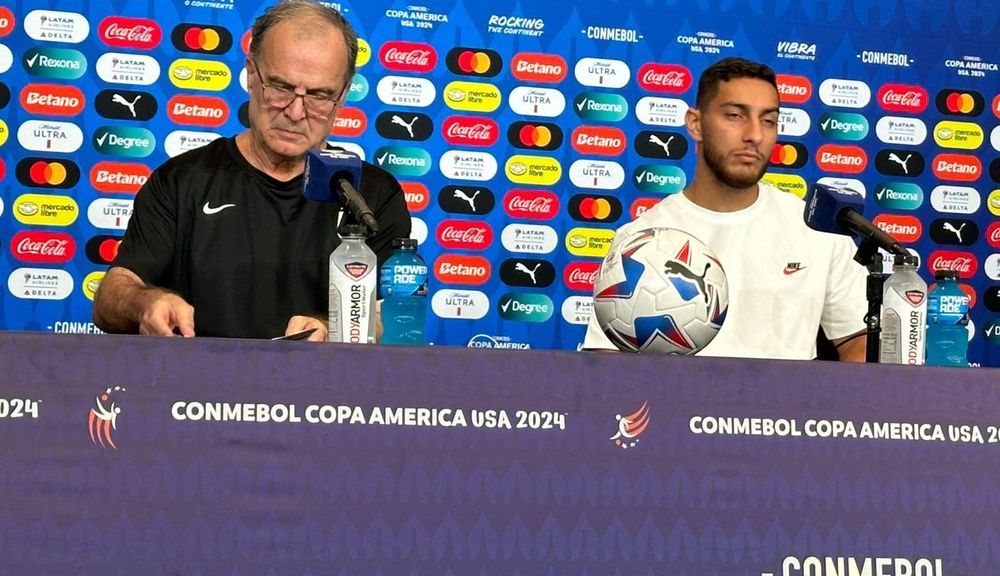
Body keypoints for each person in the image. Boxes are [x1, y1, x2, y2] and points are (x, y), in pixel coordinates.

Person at [92, 0, 411, 341]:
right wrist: (146, 303)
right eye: (280, 87)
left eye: (319, 95)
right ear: (250, 73)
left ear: (343, 94)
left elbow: (395, 320)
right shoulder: (181, 181)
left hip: (323, 392)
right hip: (196, 392)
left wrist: (333, 331)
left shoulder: (372, 195)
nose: (295, 111)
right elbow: (111, 296)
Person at [583, 57, 868, 361]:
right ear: (695, 124)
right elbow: (607, 361)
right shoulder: (639, 240)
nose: (754, 135)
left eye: (768, 120)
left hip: (790, 407)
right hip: (678, 406)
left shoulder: (814, 228)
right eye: (735, 115)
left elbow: (858, 339)